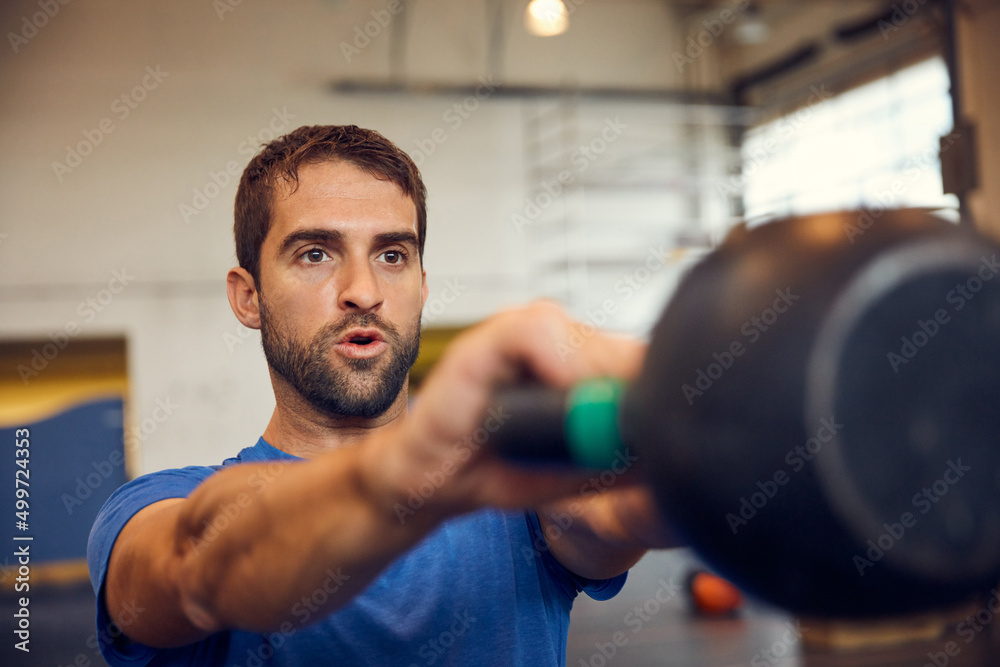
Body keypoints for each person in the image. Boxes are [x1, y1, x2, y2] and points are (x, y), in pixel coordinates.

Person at [87, 124, 669, 665]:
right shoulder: (157, 506)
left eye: (392, 255)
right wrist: (406, 470)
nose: (363, 291)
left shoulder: (521, 493)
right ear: (249, 297)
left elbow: (627, 512)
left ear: (420, 287)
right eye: (315, 253)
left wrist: (692, 437)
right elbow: (196, 570)